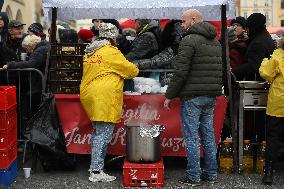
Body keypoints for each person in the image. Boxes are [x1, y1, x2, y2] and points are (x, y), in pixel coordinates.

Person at [163, 9, 223, 186]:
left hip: (192, 97)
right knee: (208, 135)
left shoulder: (189, 40)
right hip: (211, 95)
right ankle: (211, 173)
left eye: (183, 21)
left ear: (194, 20)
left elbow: (180, 72)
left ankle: (193, 176)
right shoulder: (215, 41)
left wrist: (169, 95)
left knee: (191, 137)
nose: (181, 25)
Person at [79, 23, 139, 182]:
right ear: (113, 36)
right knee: (103, 135)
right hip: (103, 96)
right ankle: (97, 172)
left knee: (98, 133)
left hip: (90, 94)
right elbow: (131, 70)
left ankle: (94, 167)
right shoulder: (110, 52)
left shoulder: (91, 50)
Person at [259, 37, 284, 185]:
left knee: (273, 138)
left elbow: (266, 74)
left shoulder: (278, 55)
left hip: (278, 104)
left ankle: (269, 172)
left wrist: (263, 61)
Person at [232, 13, 275, 81]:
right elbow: (252, 52)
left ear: (253, 27)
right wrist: (235, 46)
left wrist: (232, 72)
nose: (246, 30)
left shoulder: (258, 42)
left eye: (247, 27)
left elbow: (252, 66)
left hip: (258, 82)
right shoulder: (263, 36)